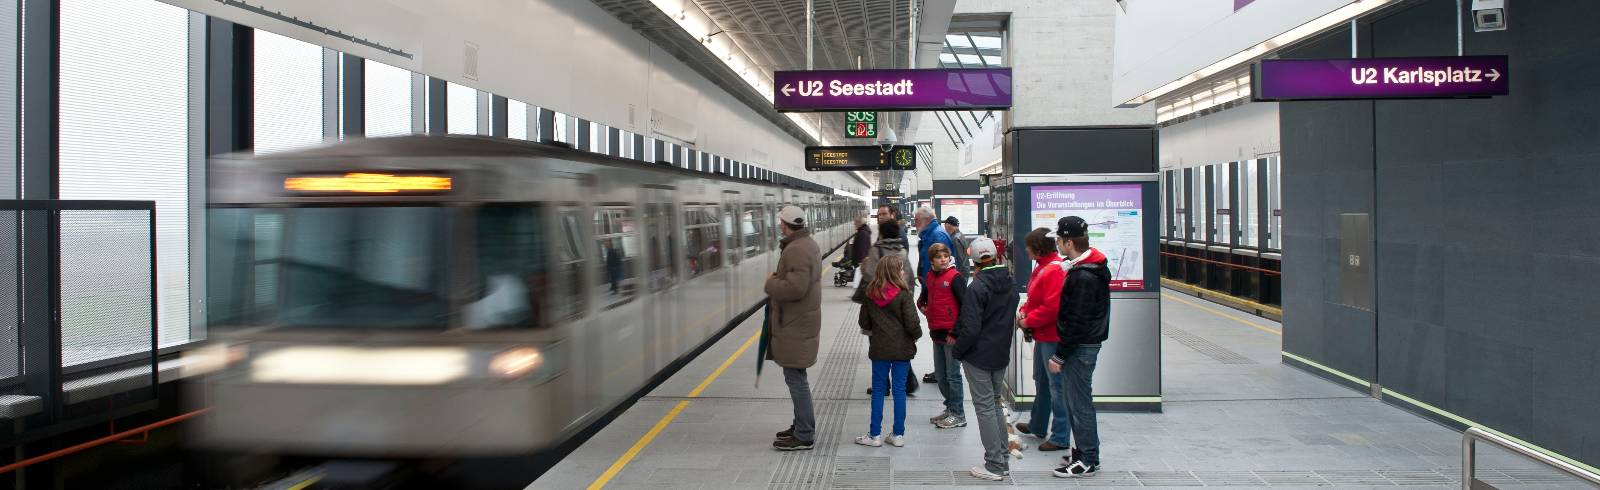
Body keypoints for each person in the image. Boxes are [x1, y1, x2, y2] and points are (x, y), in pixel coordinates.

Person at [952, 237, 1019, 481]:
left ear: (974, 261)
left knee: (984, 409)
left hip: (979, 356)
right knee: (995, 404)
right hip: (1000, 354)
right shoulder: (1011, 284)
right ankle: (1002, 456)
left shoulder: (977, 287)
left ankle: (994, 465)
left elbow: (970, 329)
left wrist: (957, 351)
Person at [1049, 216, 1111, 477]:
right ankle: (1083, 451)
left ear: (1069, 241)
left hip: (1080, 347)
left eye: (1059, 241)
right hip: (1085, 344)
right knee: (1077, 401)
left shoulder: (1084, 276)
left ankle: (1087, 459)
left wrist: (1060, 355)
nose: (1057, 245)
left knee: (1079, 403)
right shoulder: (1088, 268)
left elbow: (1077, 319)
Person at [767, 205, 823, 451]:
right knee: (796, 378)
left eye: (781, 222)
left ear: (785, 224)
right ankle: (800, 425)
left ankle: (804, 433)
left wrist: (772, 283)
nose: (779, 225)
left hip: (795, 324)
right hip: (800, 322)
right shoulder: (806, 244)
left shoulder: (797, 250)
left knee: (796, 379)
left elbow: (795, 289)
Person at [853, 254, 921, 448]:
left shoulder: (870, 293)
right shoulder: (903, 294)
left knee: (879, 391)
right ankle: (898, 435)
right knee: (899, 390)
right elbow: (913, 323)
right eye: (900, 269)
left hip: (879, 349)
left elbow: (864, 322)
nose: (903, 271)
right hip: (902, 350)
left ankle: (874, 435)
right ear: (894, 272)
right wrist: (915, 335)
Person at [1013, 228, 1071, 452]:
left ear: (1036, 248)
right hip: (1043, 334)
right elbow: (1036, 298)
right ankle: (1038, 423)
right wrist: (1025, 309)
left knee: (1056, 386)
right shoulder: (1043, 267)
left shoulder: (1054, 270)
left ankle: (1060, 436)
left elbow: (1052, 307)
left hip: (1052, 336)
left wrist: (1028, 321)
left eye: (1027, 245)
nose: (1024, 249)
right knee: (1042, 380)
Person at [854, 216, 921, 395]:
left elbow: (869, 276)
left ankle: (882, 386)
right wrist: (907, 302)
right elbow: (909, 278)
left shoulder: (877, 250)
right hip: (899, 303)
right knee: (900, 345)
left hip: (879, 305)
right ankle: (907, 382)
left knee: (879, 346)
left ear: (882, 233)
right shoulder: (902, 250)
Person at [917, 243, 967, 429]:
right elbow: (923, 298)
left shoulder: (955, 278)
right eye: (939, 257)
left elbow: (965, 307)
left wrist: (956, 332)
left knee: (953, 375)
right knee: (941, 374)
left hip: (951, 335)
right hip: (936, 332)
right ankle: (950, 408)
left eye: (946, 256)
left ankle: (958, 414)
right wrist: (923, 308)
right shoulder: (930, 277)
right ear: (932, 260)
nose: (944, 260)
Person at [912, 206, 957, 285]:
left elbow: (943, 265)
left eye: (916, 220)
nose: (914, 224)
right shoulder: (928, 235)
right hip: (930, 283)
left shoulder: (938, 235)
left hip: (936, 285)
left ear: (926, 220)